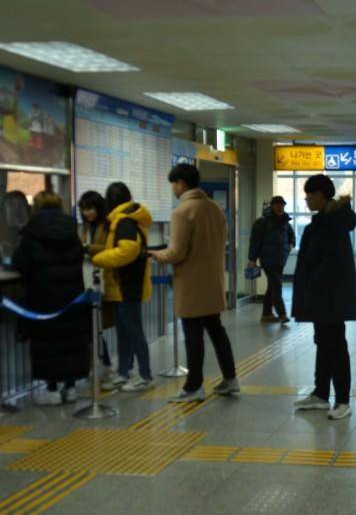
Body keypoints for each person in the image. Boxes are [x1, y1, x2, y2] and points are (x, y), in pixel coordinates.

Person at [150, 163, 239, 402]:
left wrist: (157, 254)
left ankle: (193, 387)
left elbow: (176, 253)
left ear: (181, 183)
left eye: (173, 184)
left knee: (193, 336)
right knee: (217, 332)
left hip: (191, 285)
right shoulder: (214, 208)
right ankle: (231, 379)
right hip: (213, 283)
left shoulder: (183, 211)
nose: (173, 189)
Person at [292, 174, 356, 420]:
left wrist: (312, 282)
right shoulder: (325, 220)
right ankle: (321, 394)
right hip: (322, 296)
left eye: (310, 194)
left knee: (335, 347)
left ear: (321, 195)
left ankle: (342, 400)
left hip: (330, 297)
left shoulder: (332, 223)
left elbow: (332, 262)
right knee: (323, 343)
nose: (307, 198)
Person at [13, 191, 90, 405]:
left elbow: (21, 262)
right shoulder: (71, 229)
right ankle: (71, 387)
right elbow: (78, 256)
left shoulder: (31, 231)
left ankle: (52, 389)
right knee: (71, 341)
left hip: (43, 297)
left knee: (49, 343)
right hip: (72, 296)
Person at [92, 183, 154, 392]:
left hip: (127, 285)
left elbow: (127, 251)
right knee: (124, 332)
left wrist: (99, 258)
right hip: (122, 285)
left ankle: (145, 375)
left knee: (134, 332)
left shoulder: (125, 222)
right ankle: (123, 372)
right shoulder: (124, 219)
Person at [78, 190, 114, 380]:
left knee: (97, 326)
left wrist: (86, 248)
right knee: (91, 326)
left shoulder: (107, 226)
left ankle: (107, 364)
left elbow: (109, 249)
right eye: (84, 209)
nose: (87, 213)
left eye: (90, 208)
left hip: (103, 279)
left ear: (99, 208)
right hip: (87, 281)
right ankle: (101, 363)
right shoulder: (85, 227)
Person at [248, 196, 295, 324]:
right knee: (277, 285)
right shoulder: (262, 222)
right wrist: (252, 259)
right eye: (277, 205)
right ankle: (282, 314)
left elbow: (292, 236)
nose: (280, 207)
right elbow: (254, 242)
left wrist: (290, 245)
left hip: (280, 260)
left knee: (272, 287)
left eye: (282, 205)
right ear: (272, 206)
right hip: (268, 260)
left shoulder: (285, 221)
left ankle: (266, 314)